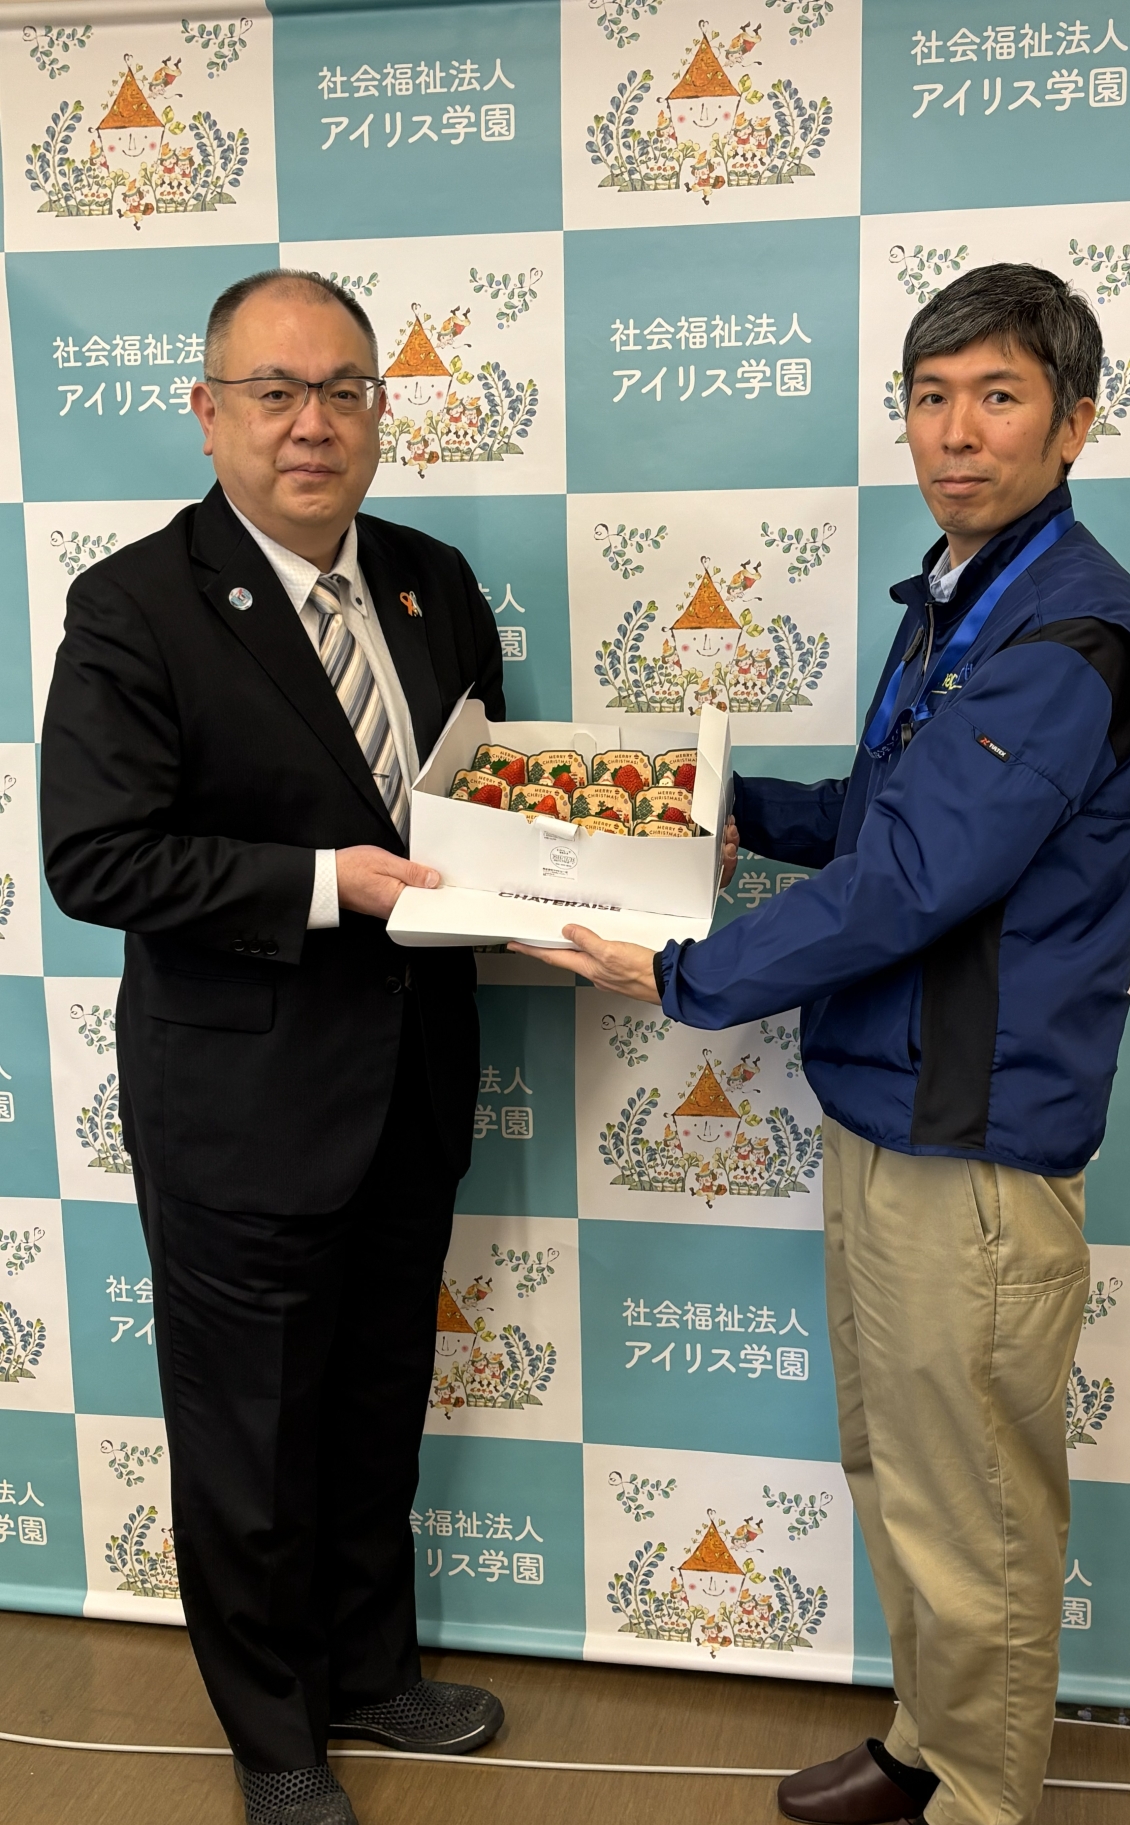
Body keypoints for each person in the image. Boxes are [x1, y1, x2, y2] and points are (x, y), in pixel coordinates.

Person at [516, 265, 1130, 1825]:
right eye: (932, 397)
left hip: (974, 1142)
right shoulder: (962, 592)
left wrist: (683, 972)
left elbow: (917, 878)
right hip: (888, 1110)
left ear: (1076, 422)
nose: (957, 431)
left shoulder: (1069, 631)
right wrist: (727, 810)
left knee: (976, 1506)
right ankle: (924, 1744)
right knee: (898, 1467)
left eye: (998, 396)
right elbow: (889, 815)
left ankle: (982, 1800)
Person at [40, 270, 506, 1825]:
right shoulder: (135, 604)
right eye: (275, 391)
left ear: (380, 407)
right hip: (239, 1103)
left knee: (376, 1407)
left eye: (343, 390)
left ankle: (370, 1666)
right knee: (247, 1438)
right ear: (209, 411)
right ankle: (275, 1733)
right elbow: (97, 857)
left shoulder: (435, 581)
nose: (313, 424)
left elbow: (477, 819)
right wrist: (324, 883)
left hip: (414, 1081)